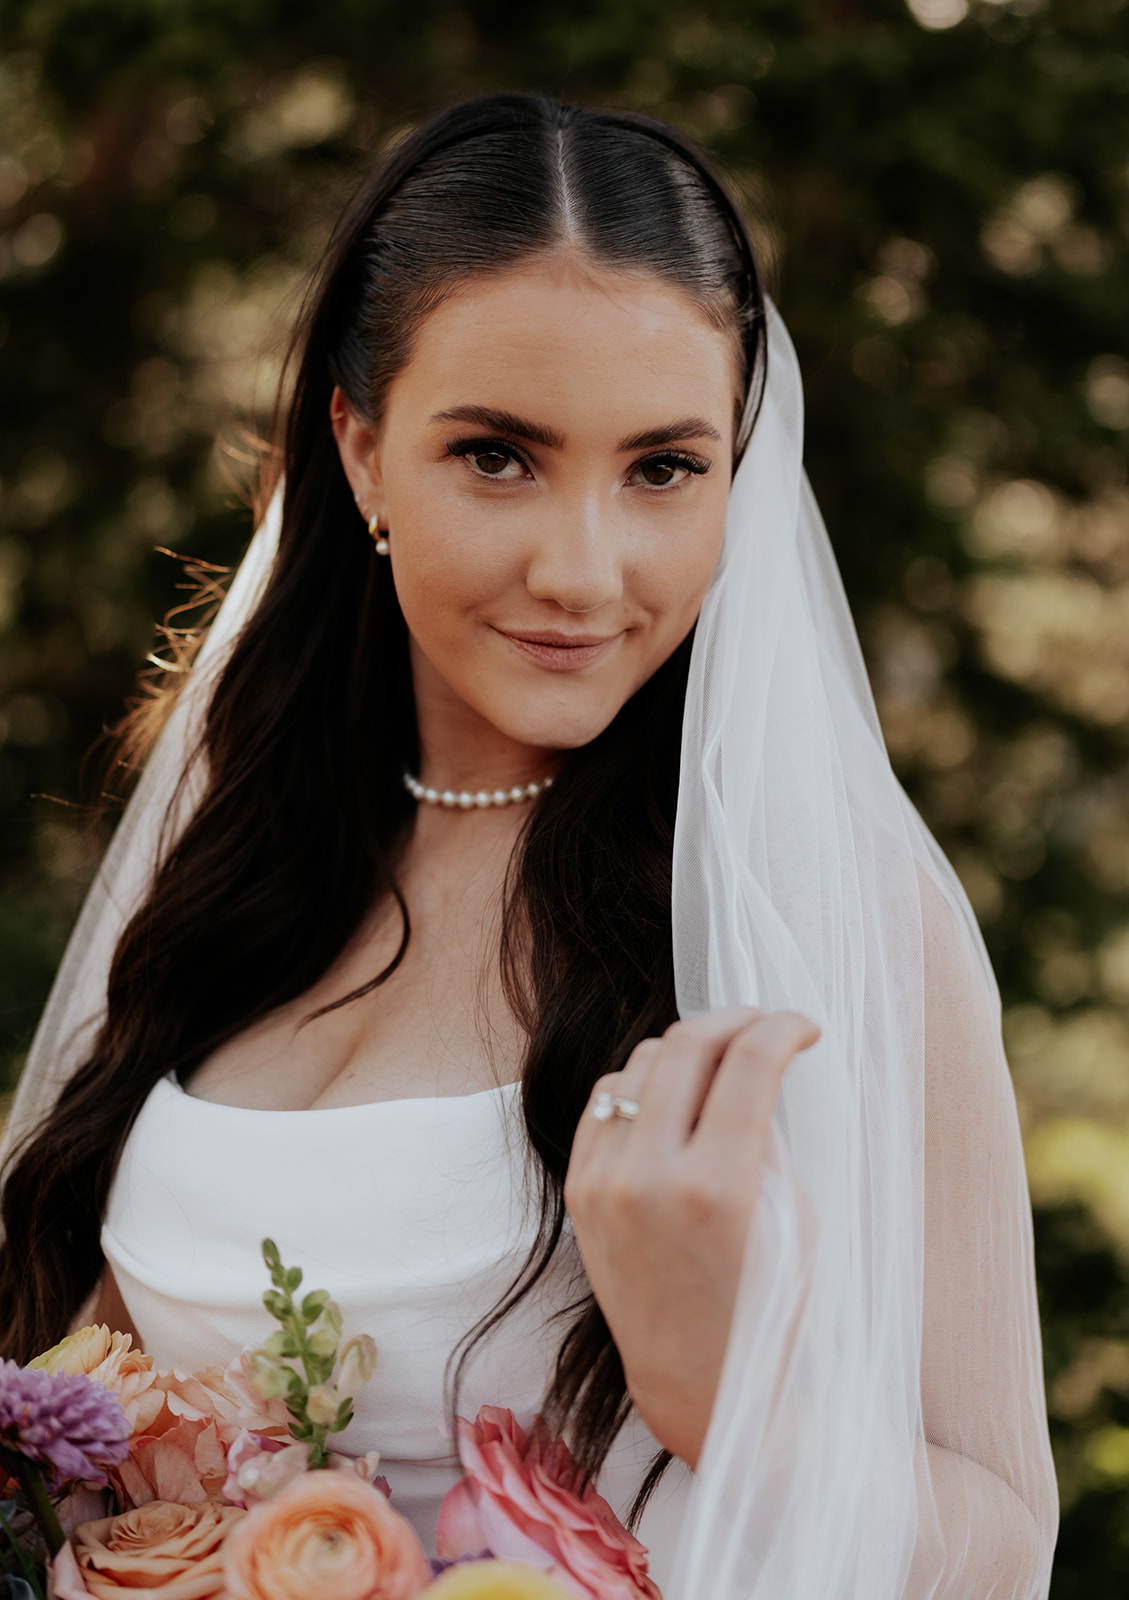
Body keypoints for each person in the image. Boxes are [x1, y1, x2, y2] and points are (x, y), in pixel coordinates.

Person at [0, 93, 1057, 1597]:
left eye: (663, 469)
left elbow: (1001, 1533)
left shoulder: (818, 914)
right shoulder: (224, 852)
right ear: (359, 453)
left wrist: (718, 1391)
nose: (583, 569)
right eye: (497, 456)